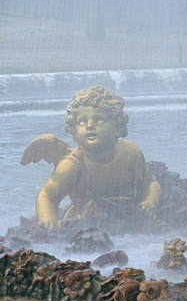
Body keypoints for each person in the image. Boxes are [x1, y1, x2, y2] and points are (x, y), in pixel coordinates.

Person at [29, 85, 161, 229]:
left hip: (129, 218)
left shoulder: (131, 152)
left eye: (99, 120)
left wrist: (150, 202)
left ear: (117, 127)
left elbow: (151, 183)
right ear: (73, 131)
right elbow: (47, 196)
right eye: (81, 122)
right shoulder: (72, 164)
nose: (90, 126)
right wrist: (49, 219)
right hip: (87, 224)